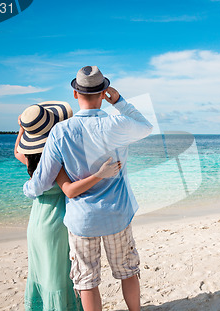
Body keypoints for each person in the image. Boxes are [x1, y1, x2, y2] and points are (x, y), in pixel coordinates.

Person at [23, 66, 153, 311]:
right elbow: (145, 127)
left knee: (87, 280)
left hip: (83, 219)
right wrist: (120, 102)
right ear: (104, 92)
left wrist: (27, 189)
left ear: (75, 94)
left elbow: (42, 180)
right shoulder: (117, 124)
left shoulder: (60, 131)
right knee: (127, 271)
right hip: (117, 214)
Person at [14, 101, 122, 311]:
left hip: (36, 223)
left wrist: (22, 130)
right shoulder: (57, 164)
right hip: (56, 224)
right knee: (60, 275)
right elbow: (70, 190)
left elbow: (17, 150)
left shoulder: (31, 161)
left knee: (42, 272)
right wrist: (99, 175)